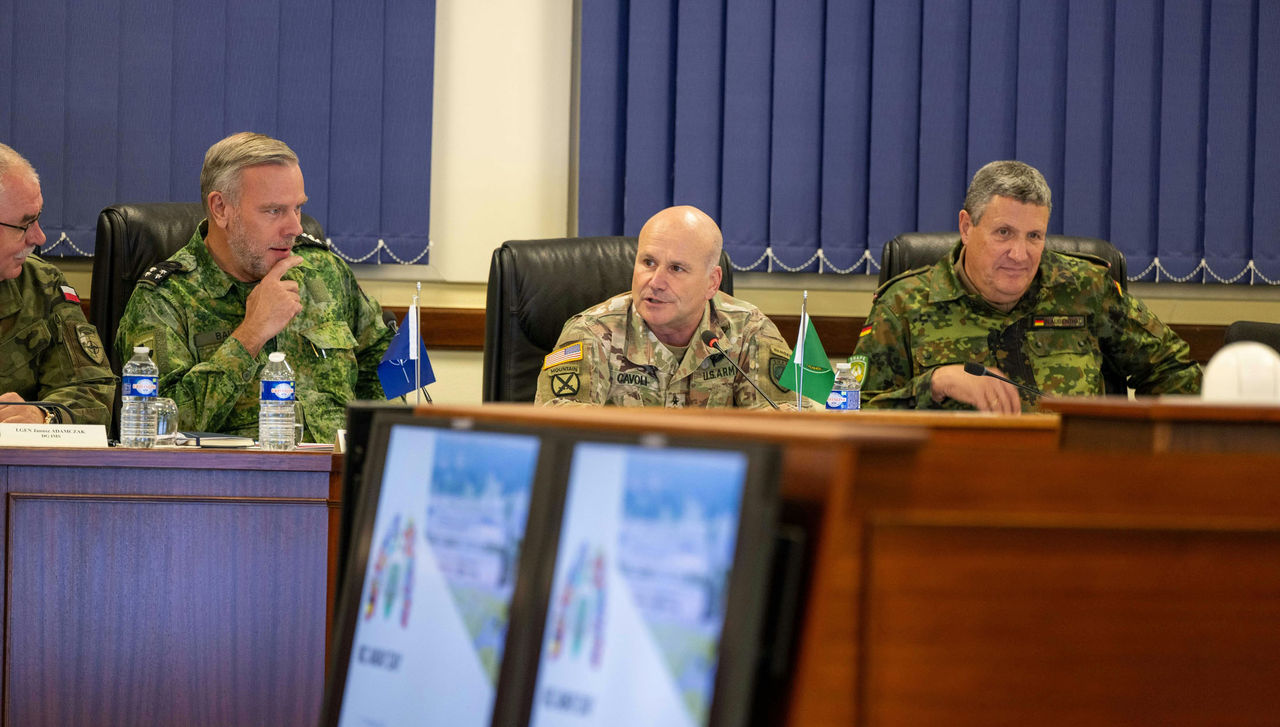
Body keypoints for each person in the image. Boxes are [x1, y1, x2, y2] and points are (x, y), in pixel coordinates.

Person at [855, 160, 1201, 413]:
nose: (1020, 255)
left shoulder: (1085, 288)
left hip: (1071, 480)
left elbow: (1174, 370)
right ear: (966, 227)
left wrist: (1141, 448)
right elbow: (853, 412)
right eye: (1004, 232)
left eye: (1034, 236)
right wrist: (935, 384)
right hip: (955, 481)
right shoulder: (903, 304)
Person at [115, 132, 391, 442]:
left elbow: (382, 362)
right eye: (274, 211)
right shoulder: (164, 299)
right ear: (221, 208)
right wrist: (250, 335)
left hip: (336, 469)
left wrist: (373, 447)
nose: (295, 227)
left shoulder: (323, 271)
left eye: (297, 208)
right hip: (240, 473)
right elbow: (155, 426)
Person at [535, 205, 795, 408]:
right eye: (648, 262)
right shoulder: (591, 333)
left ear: (712, 282)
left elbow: (788, 426)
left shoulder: (750, 330)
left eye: (676, 268)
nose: (656, 282)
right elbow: (561, 431)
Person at [0, 143, 114, 425]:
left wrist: (46, 416)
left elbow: (93, 393)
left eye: (38, 218)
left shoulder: (42, 286)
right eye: (25, 224)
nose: (39, 238)